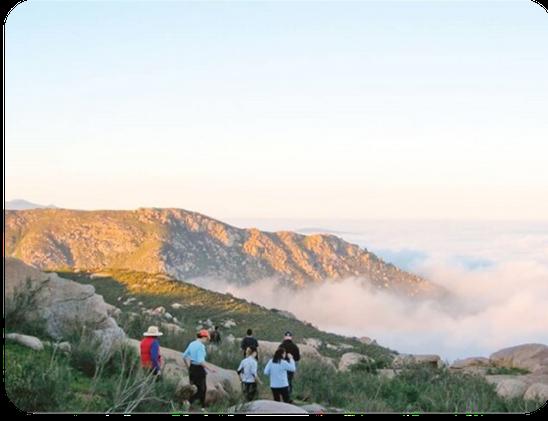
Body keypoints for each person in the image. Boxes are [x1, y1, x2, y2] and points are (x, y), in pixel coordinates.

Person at [182, 329, 217, 409]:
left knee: (193, 388)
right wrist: (210, 369)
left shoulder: (192, 343)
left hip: (192, 367)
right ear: (204, 337)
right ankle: (197, 405)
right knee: (202, 389)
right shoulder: (201, 346)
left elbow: (184, 356)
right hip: (199, 369)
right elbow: (201, 361)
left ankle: (192, 405)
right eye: (207, 339)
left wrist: (188, 367)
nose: (207, 341)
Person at [280, 331, 300, 398]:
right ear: (291, 337)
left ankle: (281, 396)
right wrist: (292, 359)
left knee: (282, 381)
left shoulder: (281, 346)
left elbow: (277, 356)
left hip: (282, 366)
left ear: (284, 337)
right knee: (289, 381)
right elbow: (297, 358)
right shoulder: (295, 347)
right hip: (291, 366)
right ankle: (289, 396)